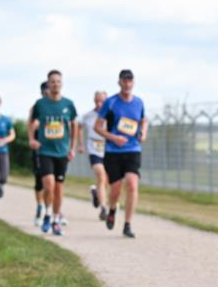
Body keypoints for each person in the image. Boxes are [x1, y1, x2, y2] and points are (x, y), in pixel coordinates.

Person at [95, 73, 147, 238]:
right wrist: (114, 138)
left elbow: (143, 120)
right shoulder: (110, 102)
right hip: (113, 151)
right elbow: (98, 127)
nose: (127, 83)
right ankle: (112, 210)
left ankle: (127, 224)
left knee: (132, 185)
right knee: (116, 189)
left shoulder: (139, 102)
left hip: (133, 150)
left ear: (133, 82)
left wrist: (143, 133)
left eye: (130, 80)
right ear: (119, 82)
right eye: (124, 80)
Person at [29, 70, 78, 236]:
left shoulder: (68, 104)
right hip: (45, 151)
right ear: (48, 84)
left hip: (62, 152)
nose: (55, 84)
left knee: (58, 188)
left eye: (58, 81)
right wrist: (31, 139)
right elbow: (31, 121)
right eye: (52, 81)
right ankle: (47, 214)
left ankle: (56, 220)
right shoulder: (41, 104)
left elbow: (74, 125)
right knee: (48, 185)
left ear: (61, 84)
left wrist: (72, 147)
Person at [80, 90, 110, 221]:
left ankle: (96, 193)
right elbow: (79, 127)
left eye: (102, 101)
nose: (99, 104)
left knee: (106, 181)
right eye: (96, 101)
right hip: (94, 149)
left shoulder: (112, 115)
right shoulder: (88, 116)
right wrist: (80, 144)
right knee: (101, 175)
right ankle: (103, 208)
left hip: (108, 149)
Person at [30, 81, 50, 226]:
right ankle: (40, 207)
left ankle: (54, 212)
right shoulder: (37, 106)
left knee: (54, 182)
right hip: (40, 148)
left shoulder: (60, 105)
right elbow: (31, 124)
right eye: (47, 90)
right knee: (40, 181)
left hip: (56, 148)